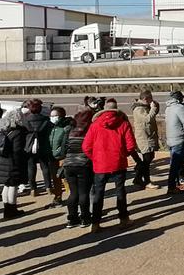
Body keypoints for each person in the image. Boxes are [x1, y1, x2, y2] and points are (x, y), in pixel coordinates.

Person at [83, 100, 139, 232]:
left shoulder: (95, 125)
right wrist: (122, 154)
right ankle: (123, 218)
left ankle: (95, 223)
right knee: (120, 191)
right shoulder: (123, 123)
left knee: (99, 193)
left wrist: (95, 158)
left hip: (100, 164)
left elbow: (86, 147)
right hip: (118, 162)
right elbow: (131, 146)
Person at [62, 110, 93, 229]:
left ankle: (72, 218)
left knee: (73, 193)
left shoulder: (69, 130)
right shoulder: (88, 131)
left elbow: (64, 147)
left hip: (69, 164)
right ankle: (85, 218)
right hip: (83, 163)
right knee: (84, 193)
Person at [0, 106, 26, 219]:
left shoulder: (5, 130)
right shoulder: (18, 132)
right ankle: (12, 209)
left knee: (6, 186)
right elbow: (17, 150)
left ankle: (7, 209)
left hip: (3, 159)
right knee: (13, 185)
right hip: (13, 162)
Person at [19, 100, 53, 198]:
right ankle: (48, 187)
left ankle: (33, 189)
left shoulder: (25, 120)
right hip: (43, 145)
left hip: (29, 145)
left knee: (31, 167)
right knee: (45, 166)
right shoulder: (45, 119)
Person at [128, 91, 160, 190]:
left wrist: (156, 106)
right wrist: (153, 108)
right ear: (145, 99)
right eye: (150, 99)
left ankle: (138, 177)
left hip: (149, 137)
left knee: (149, 158)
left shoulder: (145, 107)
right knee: (146, 160)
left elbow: (152, 114)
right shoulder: (139, 109)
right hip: (144, 138)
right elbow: (148, 119)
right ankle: (146, 181)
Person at [164, 91, 184, 195]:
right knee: (175, 165)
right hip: (179, 138)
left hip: (170, 139)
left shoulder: (168, 108)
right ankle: (171, 186)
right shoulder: (180, 108)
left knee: (174, 162)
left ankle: (175, 184)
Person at [46, 107, 71, 207]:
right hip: (52, 157)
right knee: (55, 178)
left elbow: (66, 142)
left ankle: (71, 196)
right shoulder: (50, 127)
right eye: (51, 116)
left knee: (65, 178)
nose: (53, 118)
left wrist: (63, 154)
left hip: (62, 156)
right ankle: (58, 197)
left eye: (55, 116)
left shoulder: (66, 127)